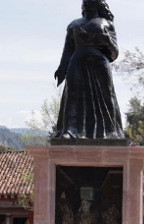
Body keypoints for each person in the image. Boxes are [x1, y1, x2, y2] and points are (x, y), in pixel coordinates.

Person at [52, 0, 125, 140]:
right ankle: (71, 131)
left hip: (100, 63)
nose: (86, 4)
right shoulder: (74, 25)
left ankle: (110, 132)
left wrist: (107, 41)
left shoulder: (106, 23)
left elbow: (114, 53)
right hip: (77, 62)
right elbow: (68, 50)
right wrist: (62, 67)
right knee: (73, 95)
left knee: (106, 95)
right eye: (84, 2)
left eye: (89, 1)